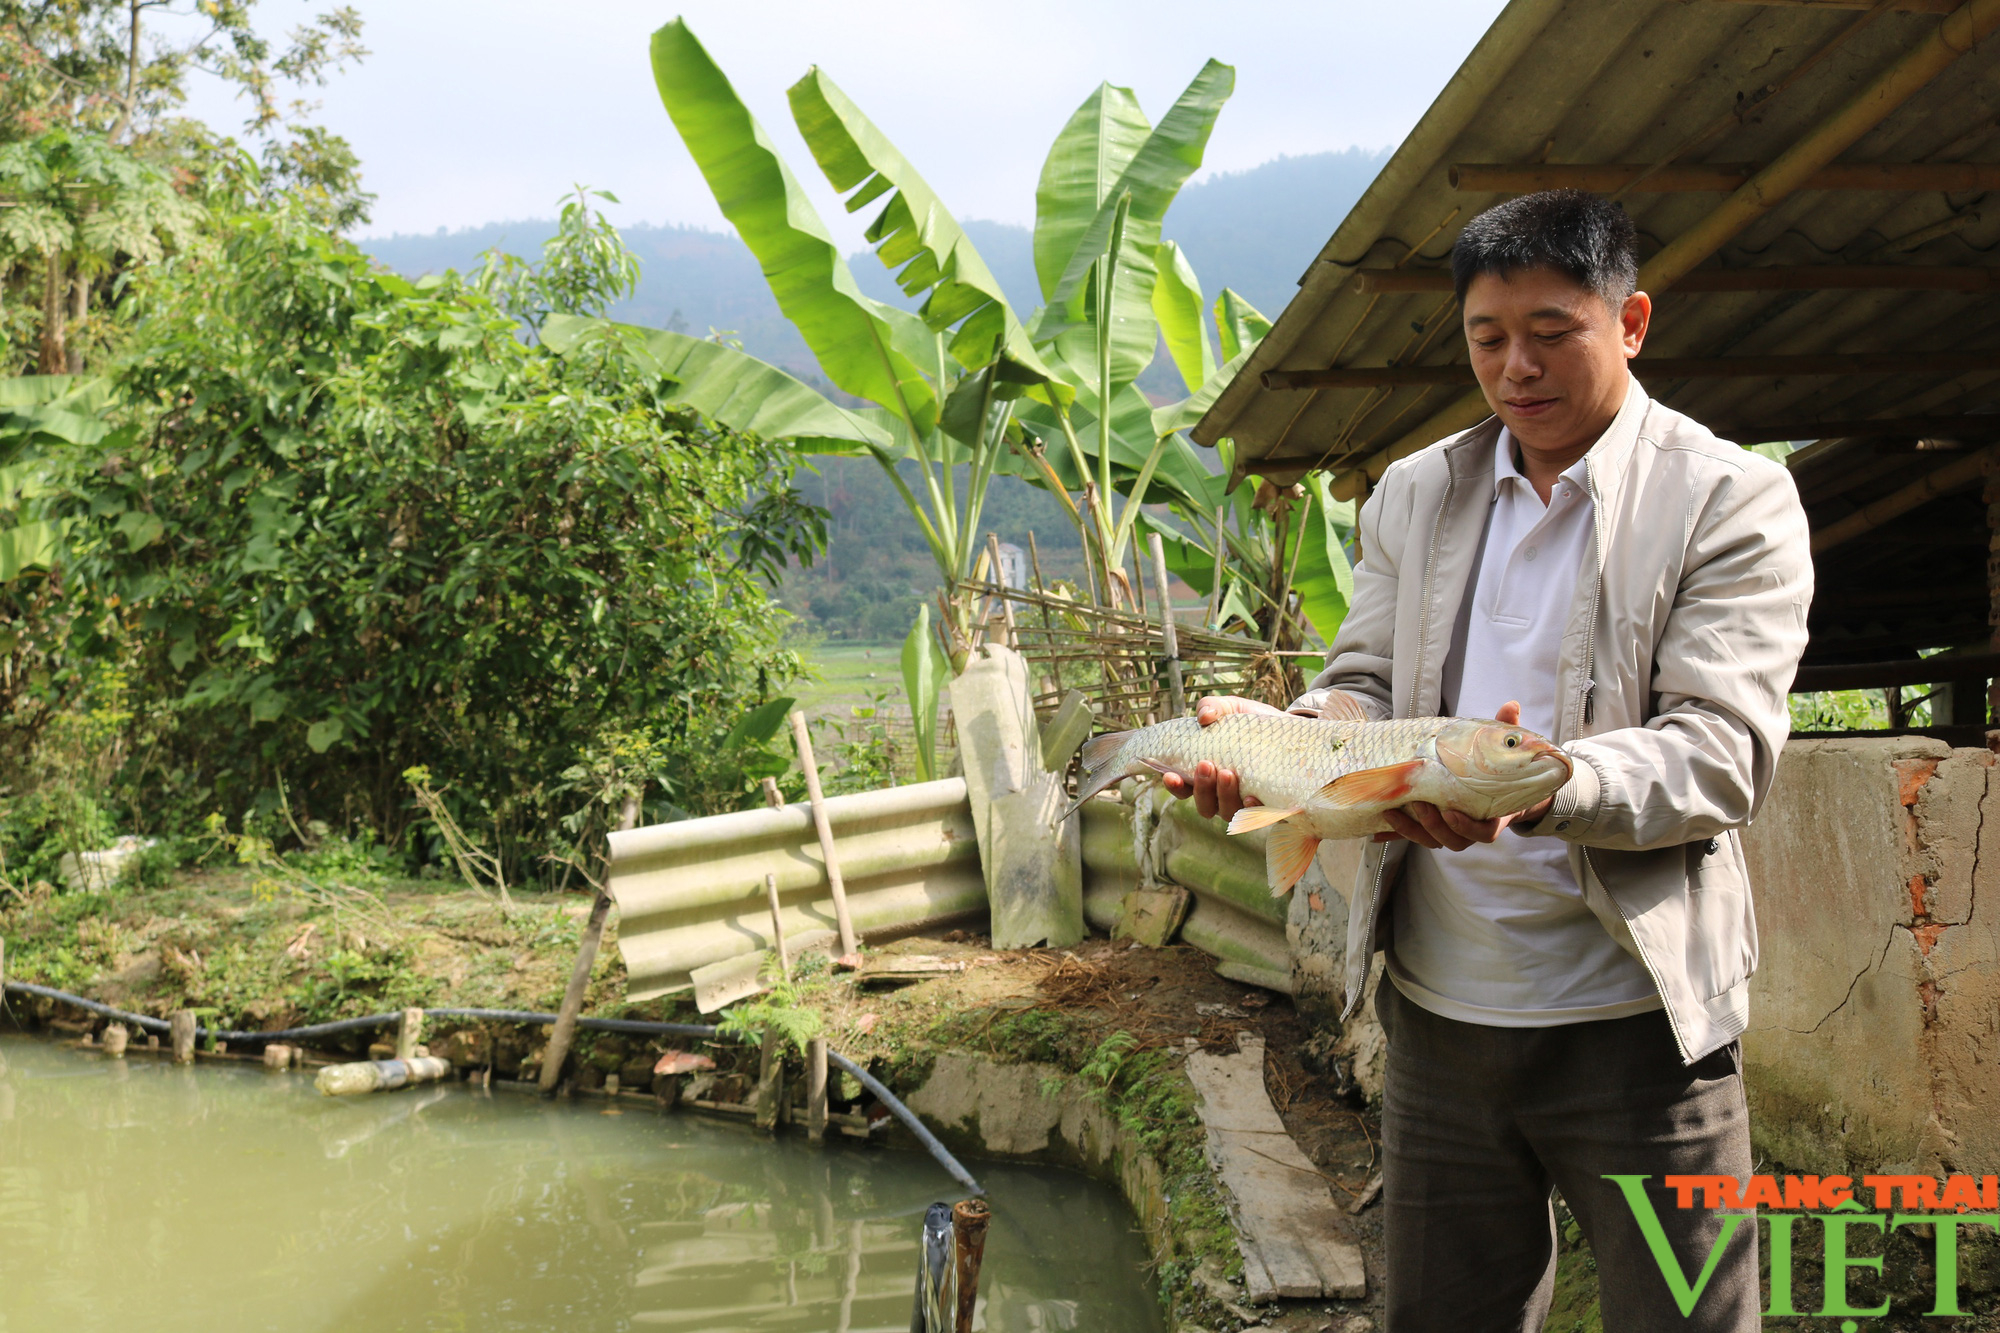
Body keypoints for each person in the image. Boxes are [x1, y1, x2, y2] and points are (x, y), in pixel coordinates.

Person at [1162, 189, 1812, 1331]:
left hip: (1637, 1026)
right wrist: (1289, 747)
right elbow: (1360, 679)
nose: (1516, 366)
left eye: (1550, 332)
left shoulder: (1728, 499)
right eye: (1486, 338)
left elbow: (1720, 753)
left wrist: (1543, 784)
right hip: (1439, 1023)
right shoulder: (1416, 494)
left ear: (1631, 321)